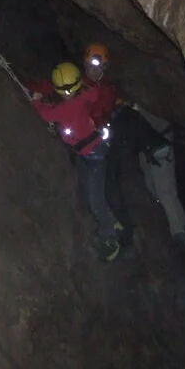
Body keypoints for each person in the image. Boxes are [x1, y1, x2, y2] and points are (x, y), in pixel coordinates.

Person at [84, 43, 185, 246]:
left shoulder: (135, 102)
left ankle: (179, 233)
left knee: (165, 191)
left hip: (160, 143)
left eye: (98, 66)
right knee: (154, 188)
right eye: (90, 65)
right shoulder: (112, 95)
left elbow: (139, 120)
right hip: (145, 147)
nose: (94, 70)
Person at [28, 62, 124, 262]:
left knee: (94, 199)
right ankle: (112, 221)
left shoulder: (67, 107)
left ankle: (110, 238)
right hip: (88, 154)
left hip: (94, 157)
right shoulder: (84, 96)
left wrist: (36, 99)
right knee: (88, 189)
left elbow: (46, 113)